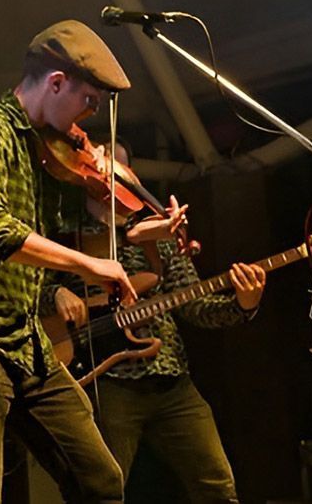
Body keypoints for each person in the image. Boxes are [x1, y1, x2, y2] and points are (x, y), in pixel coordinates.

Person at [0, 20, 191, 504]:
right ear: (57, 83)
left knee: (101, 482)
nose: (88, 120)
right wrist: (89, 266)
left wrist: (142, 232)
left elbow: (69, 227)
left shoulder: (43, 150)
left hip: (26, 340)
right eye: (88, 102)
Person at [49, 141, 267, 503]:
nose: (113, 179)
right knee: (101, 492)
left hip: (170, 380)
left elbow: (196, 305)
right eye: (104, 168)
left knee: (217, 486)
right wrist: (54, 295)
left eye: (123, 171)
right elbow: (29, 282)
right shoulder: (65, 230)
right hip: (106, 380)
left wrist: (245, 304)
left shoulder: (158, 235)